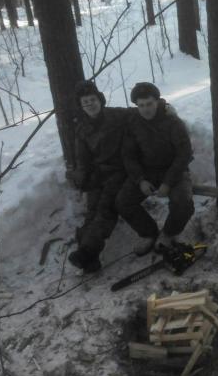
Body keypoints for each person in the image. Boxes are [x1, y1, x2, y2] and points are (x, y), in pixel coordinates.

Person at [116, 82, 195, 252]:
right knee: (123, 202)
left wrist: (168, 182)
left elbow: (184, 154)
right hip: (147, 172)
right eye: (141, 105)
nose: (146, 109)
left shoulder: (172, 121)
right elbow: (128, 155)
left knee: (183, 202)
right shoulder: (133, 123)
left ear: (157, 102)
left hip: (174, 171)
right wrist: (140, 180)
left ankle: (168, 233)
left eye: (149, 103)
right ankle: (149, 233)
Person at [67, 80, 128, 273]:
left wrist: (162, 105)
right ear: (81, 107)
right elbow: (82, 159)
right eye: (85, 103)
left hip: (119, 172)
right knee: (92, 211)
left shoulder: (116, 115)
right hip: (98, 176)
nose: (90, 105)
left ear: (100, 100)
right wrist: (81, 178)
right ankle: (89, 257)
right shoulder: (82, 130)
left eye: (92, 100)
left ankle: (87, 251)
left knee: (105, 209)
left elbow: (139, 114)